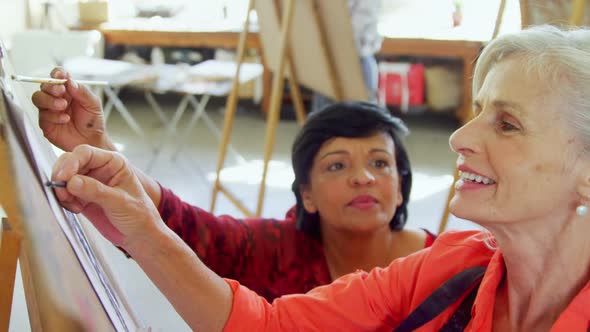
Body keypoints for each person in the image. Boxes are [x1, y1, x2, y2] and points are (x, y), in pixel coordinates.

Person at [47, 24, 590, 331]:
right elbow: (209, 250)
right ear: (303, 193)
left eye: (508, 123)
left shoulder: (433, 257)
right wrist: (123, 192)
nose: (458, 138)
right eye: (336, 166)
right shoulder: (454, 266)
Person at [32, 77, 436, 301]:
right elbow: (186, 228)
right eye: (337, 165)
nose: (363, 177)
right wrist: (102, 149)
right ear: (306, 195)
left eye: (380, 163)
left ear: (401, 187)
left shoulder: (445, 267)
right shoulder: (277, 250)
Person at [311, 0, 382, 112]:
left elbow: (360, 25)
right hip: (329, 56)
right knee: (322, 119)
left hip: (357, 58)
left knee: (361, 118)